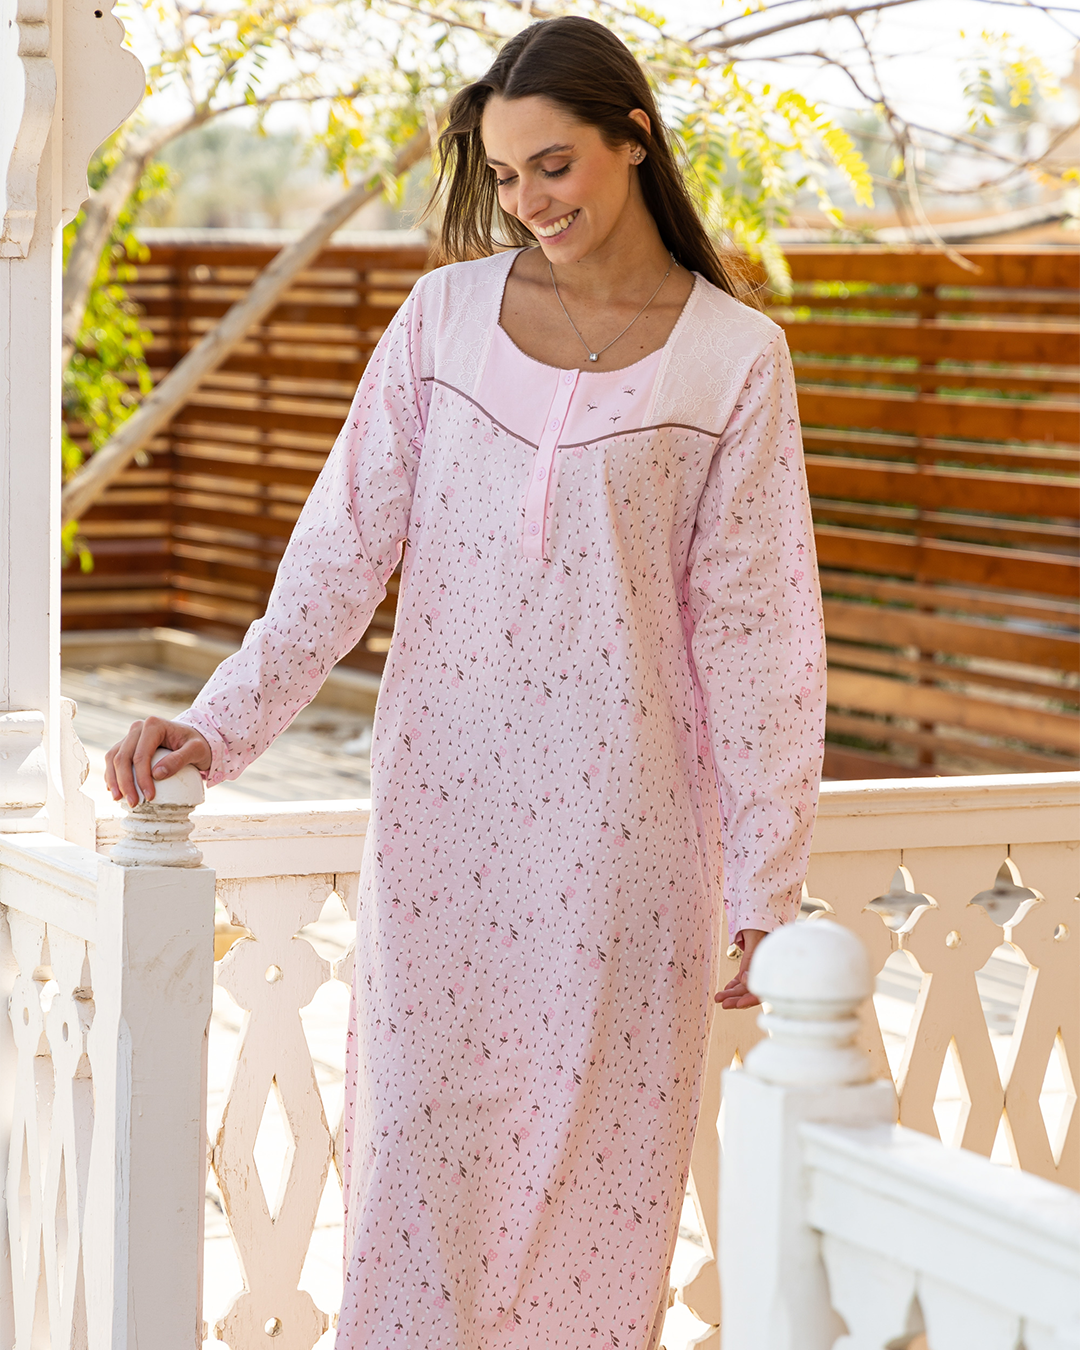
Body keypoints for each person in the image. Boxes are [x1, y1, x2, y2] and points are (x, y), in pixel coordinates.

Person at [106, 16, 825, 1349]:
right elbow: (340, 551)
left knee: (599, 1193)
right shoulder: (441, 320)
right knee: (417, 1182)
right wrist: (218, 725)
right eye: (503, 175)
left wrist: (765, 887)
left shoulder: (736, 358)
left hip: (626, 850)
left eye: (554, 165)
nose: (529, 201)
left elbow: (758, 638)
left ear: (634, 139)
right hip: (443, 827)